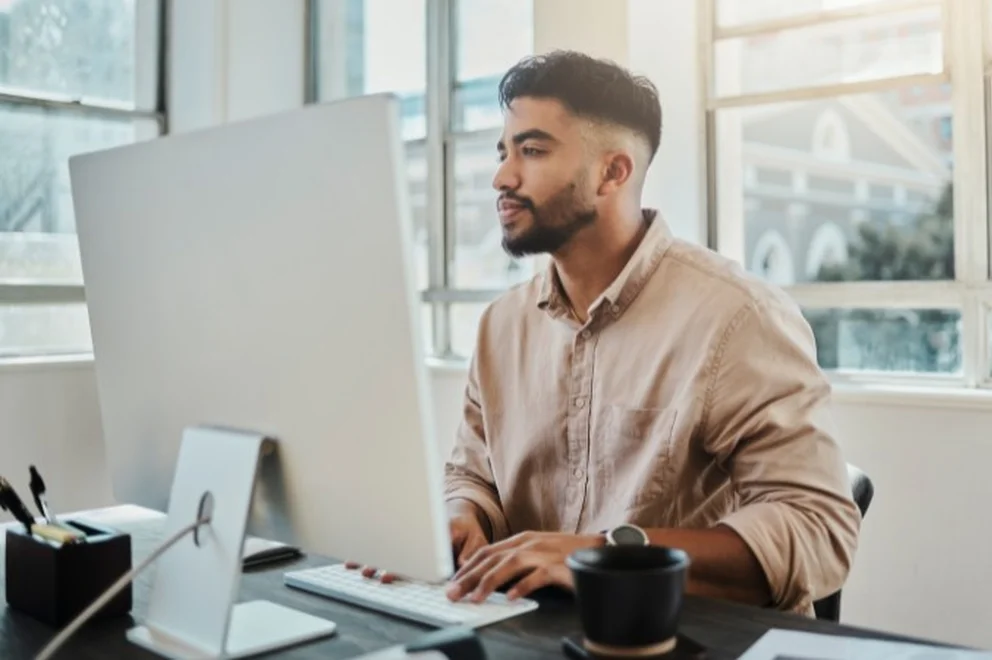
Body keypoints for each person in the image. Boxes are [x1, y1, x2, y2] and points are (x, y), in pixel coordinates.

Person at [361, 50, 861, 616]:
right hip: (530, 633)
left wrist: (603, 556)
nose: (502, 176)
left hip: (685, 641)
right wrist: (460, 519)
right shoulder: (500, 326)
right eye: (504, 152)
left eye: (532, 150)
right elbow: (472, 475)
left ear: (613, 172)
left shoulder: (738, 317)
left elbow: (819, 527)